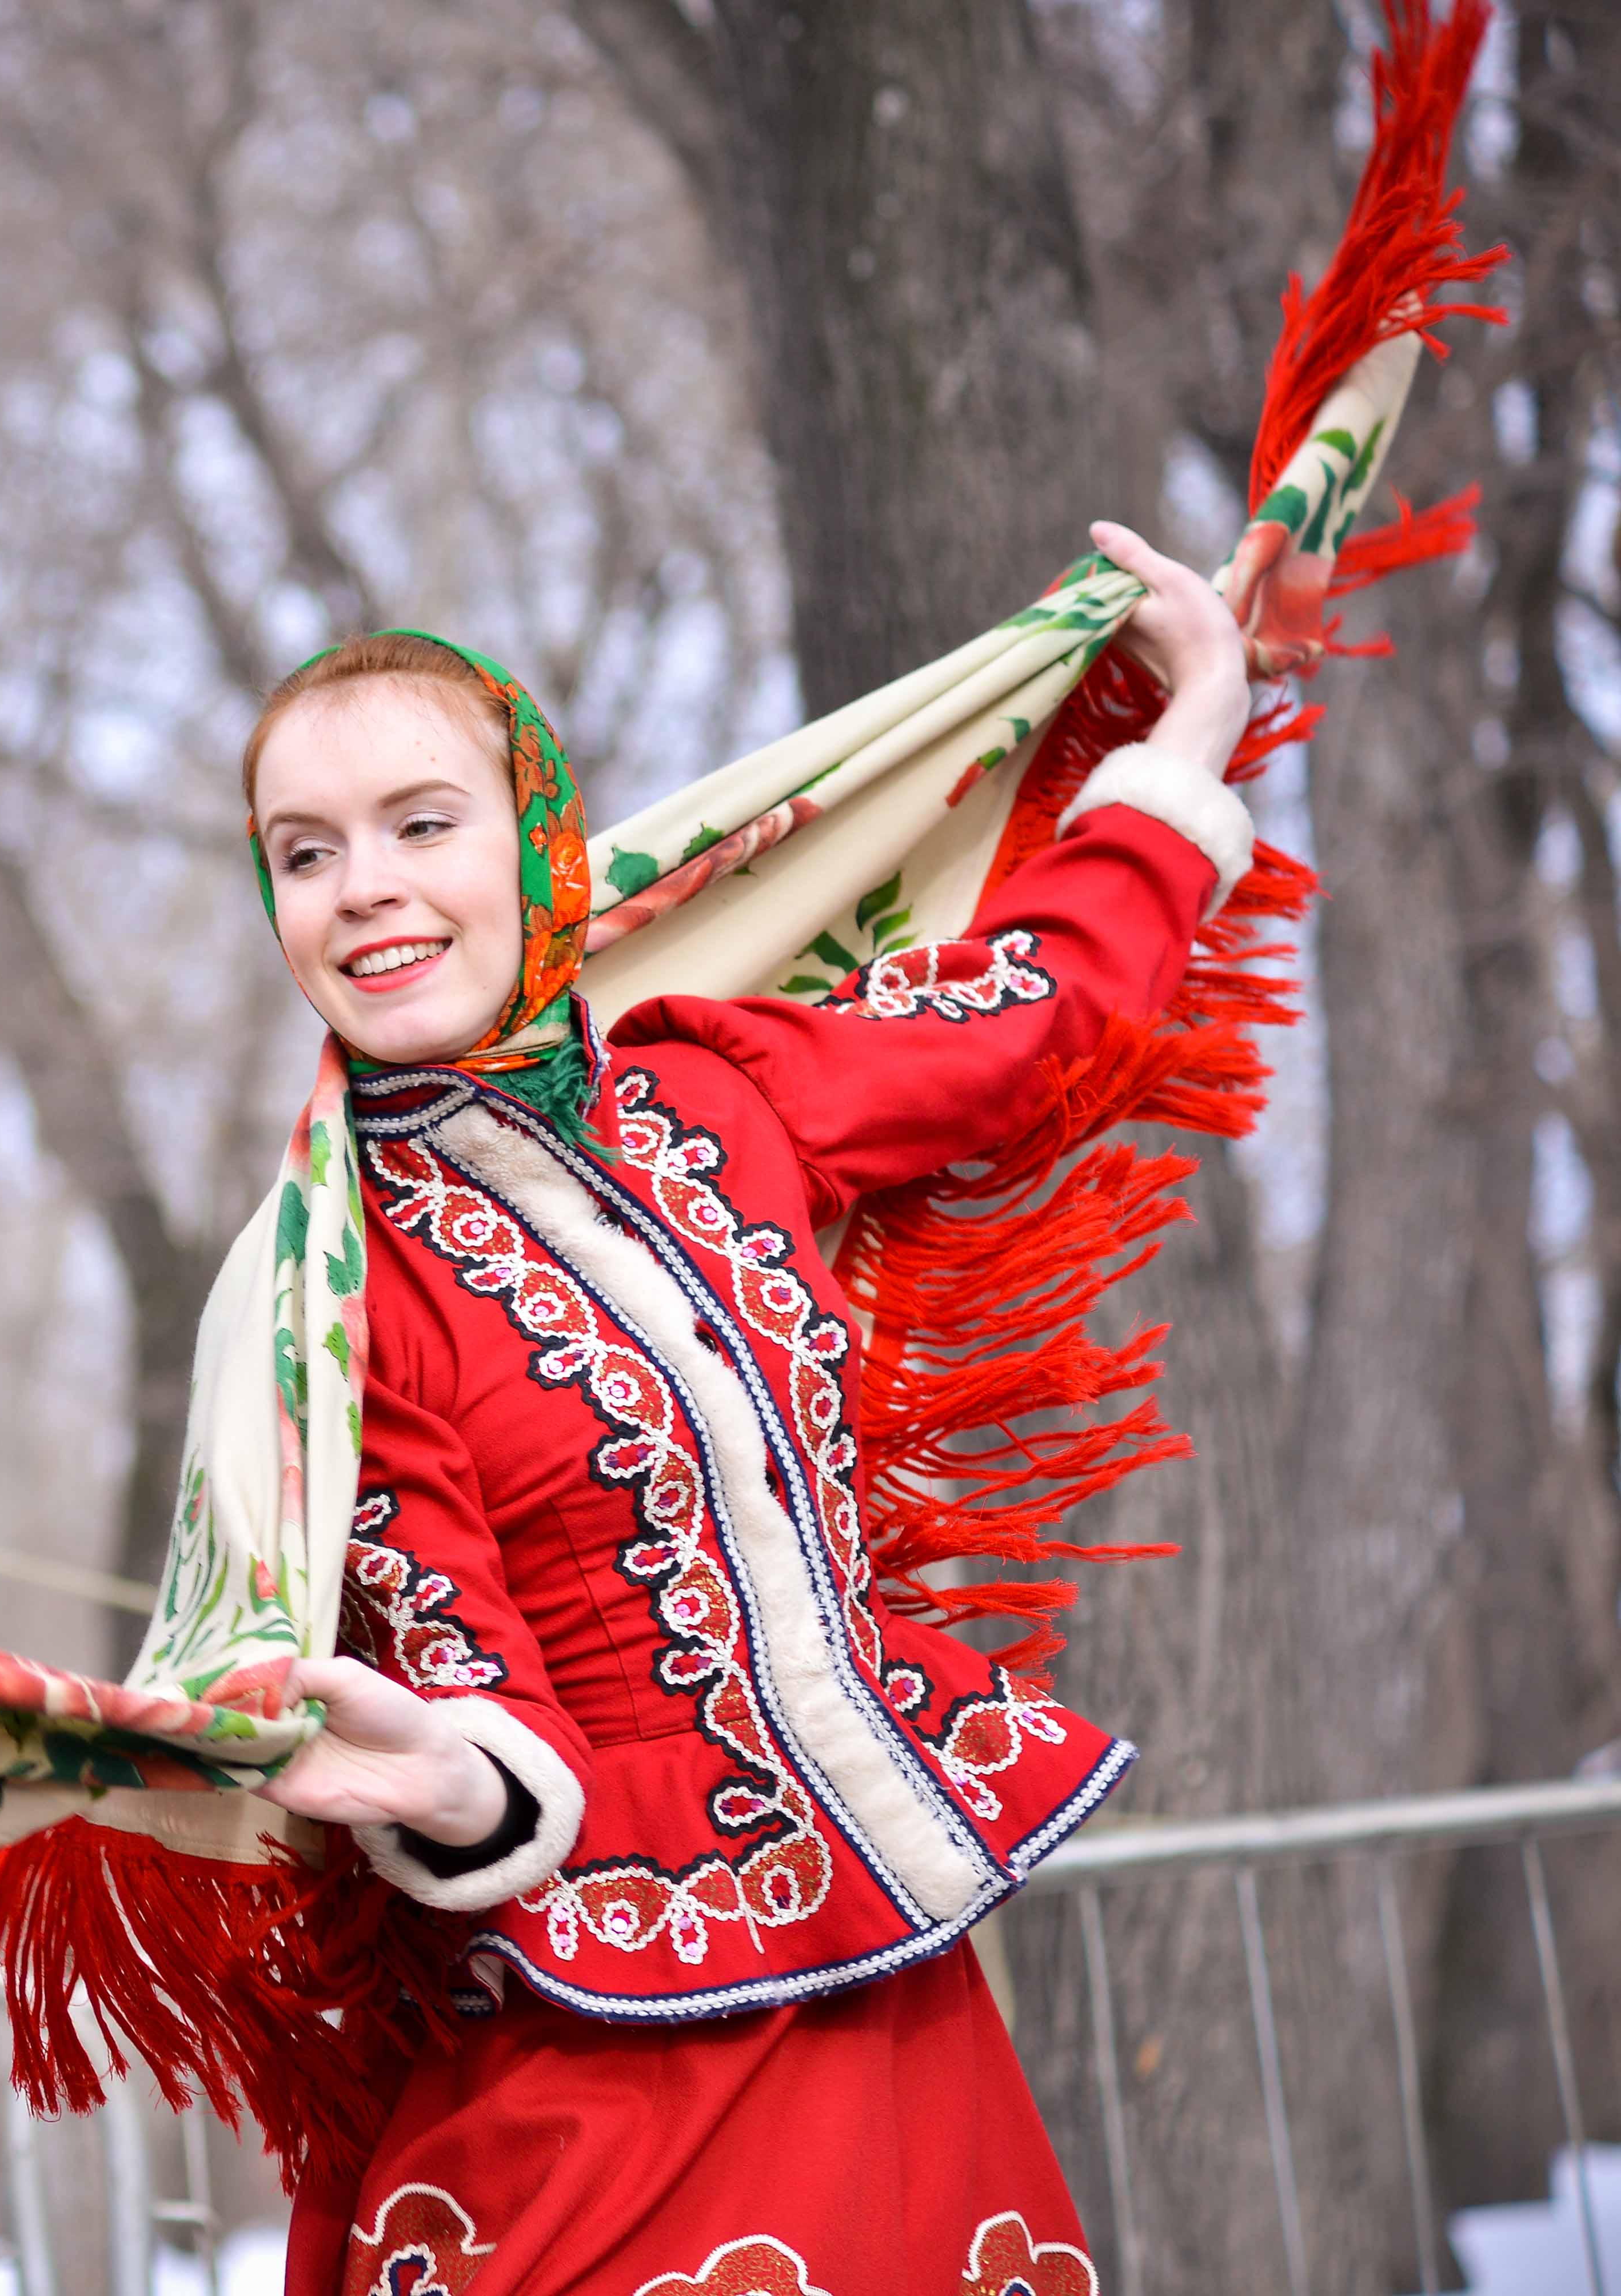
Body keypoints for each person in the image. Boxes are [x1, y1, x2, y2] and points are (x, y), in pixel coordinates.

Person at [231, 520, 1249, 2295]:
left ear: (540, 840)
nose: (363, 888)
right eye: (304, 854)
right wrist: (447, 1787)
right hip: (610, 2031)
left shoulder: (717, 1084)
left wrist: (1192, 745)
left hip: (892, 1975)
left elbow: (1036, 1021)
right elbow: (472, 1682)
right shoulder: (333, 1293)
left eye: (420, 823)